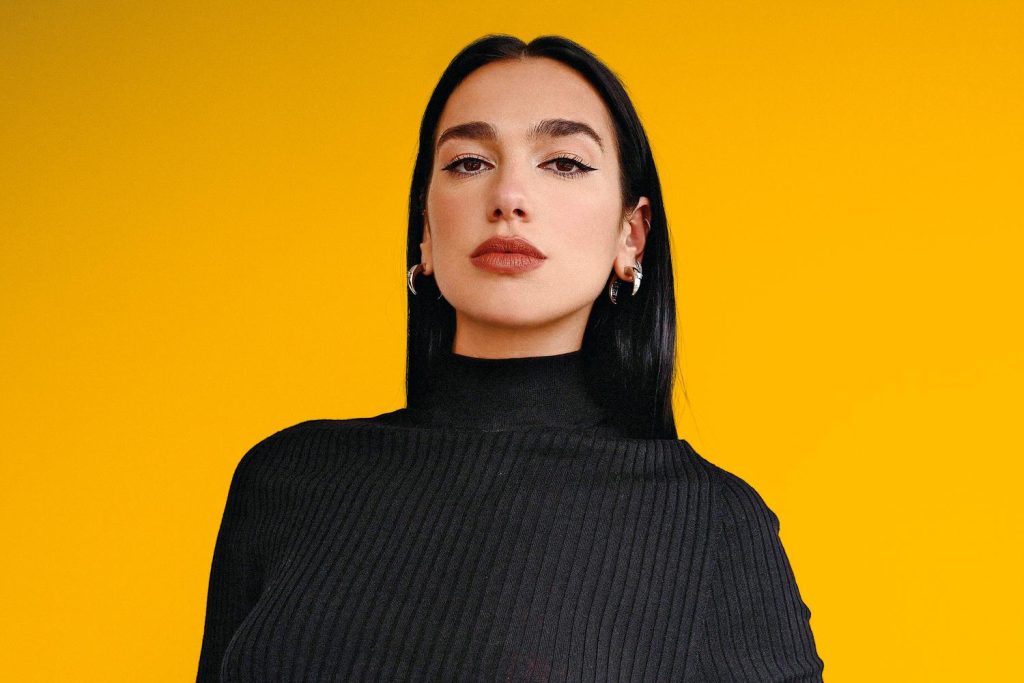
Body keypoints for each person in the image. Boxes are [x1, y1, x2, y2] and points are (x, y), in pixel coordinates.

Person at [196, 34, 825, 682]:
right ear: (425, 231)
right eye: (469, 162)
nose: (509, 197)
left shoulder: (711, 523)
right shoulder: (286, 479)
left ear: (631, 236)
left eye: (564, 162)